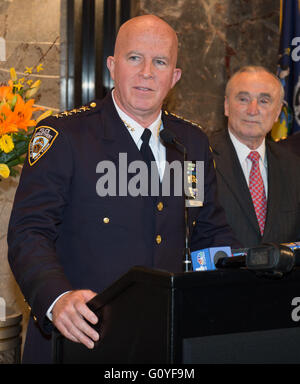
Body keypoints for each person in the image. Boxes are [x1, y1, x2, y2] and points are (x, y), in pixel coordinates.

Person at [7, 15, 238, 364]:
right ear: (112, 66)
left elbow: (208, 229)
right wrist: (57, 298)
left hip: (163, 342)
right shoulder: (66, 136)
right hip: (80, 340)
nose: (147, 71)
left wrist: (246, 276)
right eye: (135, 58)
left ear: (174, 76)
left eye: (160, 62)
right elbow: (29, 233)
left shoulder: (191, 143)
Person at [209, 66, 300, 248]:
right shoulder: (199, 156)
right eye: (243, 99)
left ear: (277, 113)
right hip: (219, 276)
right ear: (226, 106)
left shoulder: (294, 167)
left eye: (264, 101)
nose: (252, 110)